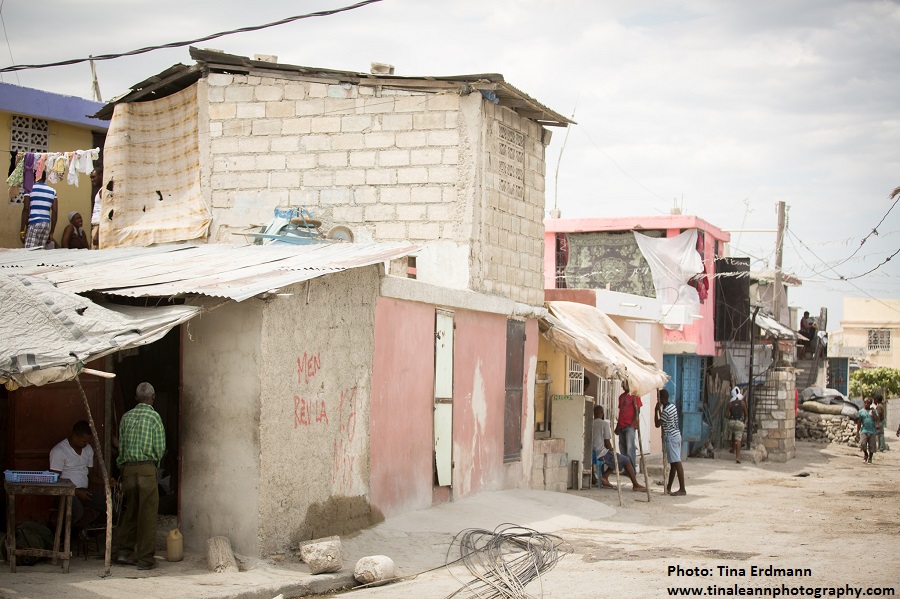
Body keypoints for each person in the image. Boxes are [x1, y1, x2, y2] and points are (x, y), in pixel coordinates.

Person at [116, 382, 166, 570]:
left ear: (136, 398)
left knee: (130, 511)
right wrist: (155, 466)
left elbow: (121, 447)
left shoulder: (126, 417)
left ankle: (123, 552)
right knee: (147, 514)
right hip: (146, 469)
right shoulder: (154, 417)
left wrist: (122, 466)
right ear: (152, 398)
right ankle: (145, 558)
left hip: (128, 469)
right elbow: (160, 448)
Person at [49, 421, 108, 528]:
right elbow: (55, 480)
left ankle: (88, 532)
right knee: (77, 512)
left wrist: (106, 481)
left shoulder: (88, 449)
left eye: (88, 441)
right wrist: (76, 492)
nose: (86, 444)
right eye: (83, 441)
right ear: (74, 436)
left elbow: (91, 474)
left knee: (107, 505)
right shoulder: (59, 451)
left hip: (83, 492)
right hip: (64, 494)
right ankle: (64, 537)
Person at [591, 405, 646, 492]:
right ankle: (635, 484)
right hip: (600, 453)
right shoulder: (604, 424)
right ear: (602, 413)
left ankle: (605, 477)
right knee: (625, 460)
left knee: (616, 457)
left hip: (592, 453)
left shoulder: (590, 423)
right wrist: (612, 449)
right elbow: (607, 442)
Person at [655, 389, 686, 495]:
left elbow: (657, 424)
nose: (658, 400)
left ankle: (682, 489)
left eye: (659, 398)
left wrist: (656, 411)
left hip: (671, 437)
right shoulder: (672, 406)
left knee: (676, 462)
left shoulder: (666, 411)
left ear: (662, 399)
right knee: (673, 464)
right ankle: (668, 487)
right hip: (676, 435)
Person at [19, 172, 57, 249]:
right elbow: (55, 212)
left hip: (34, 222)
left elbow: (26, 209)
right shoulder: (53, 191)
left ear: (34, 177)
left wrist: (22, 230)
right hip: (46, 224)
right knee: (40, 253)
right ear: (45, 178)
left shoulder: (29, 189)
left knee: (29, 252)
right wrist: (52, 232)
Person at [615, 380, 642, 471]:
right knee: (623, 449)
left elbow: (637, 411)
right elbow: (621, 412)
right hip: (622, 425)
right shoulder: (621, 397)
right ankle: (626, 469)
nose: (623, 386)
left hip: (629, 426)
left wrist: (632, 424)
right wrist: (617, 426)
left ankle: (632, 470)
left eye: (624, 385)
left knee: (630, 449)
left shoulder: (635, 396)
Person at [726, 386, 748, 464]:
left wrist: (730, 418)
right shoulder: (742, 403)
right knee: (738, 438)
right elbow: (746, 414)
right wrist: (745, 421)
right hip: (739, 422)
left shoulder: (730, 404)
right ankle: (737, 457)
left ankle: (732, 448)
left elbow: (726, 415)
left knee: (733, 432)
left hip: (731, 423)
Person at [856, 397, 877, 464]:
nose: (866, 404)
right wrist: (857, 432)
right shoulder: (861, 412)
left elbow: (877, 419)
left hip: (872, 431)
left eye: (868, 403)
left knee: (872, 446)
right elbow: (859, 422)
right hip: (864, 430)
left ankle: (870, 458)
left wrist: (874, 414)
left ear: (870, 404)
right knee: (863, 444)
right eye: (865, 402)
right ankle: (865, 454)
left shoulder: (873, 411)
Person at [90, 168, 102, 248]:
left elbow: (103, 211)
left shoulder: (103, 191)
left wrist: (97, 233)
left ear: (101, 176)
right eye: (91, 178)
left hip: (98, 226)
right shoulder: (99, 190)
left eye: (94, 177)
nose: (92, 180)